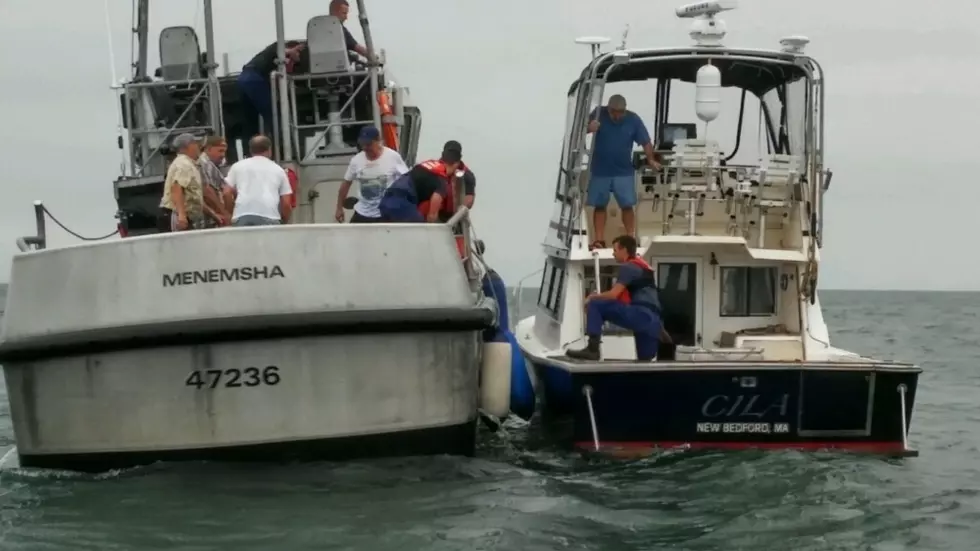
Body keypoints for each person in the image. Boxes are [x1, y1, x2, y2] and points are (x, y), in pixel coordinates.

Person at [566, 235, 663, 362]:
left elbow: (613, 294)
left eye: (615, 250)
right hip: (653, 321)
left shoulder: (628, 267)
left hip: (640, 315)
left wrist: (592, 296)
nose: (613, 254)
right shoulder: (644, 268)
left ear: (624, 250)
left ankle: (593, 349)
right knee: (644, 362)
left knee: (595, 304)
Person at [586, 94, 661, 249]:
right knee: (600, 206)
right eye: (614, 112)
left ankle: (630, 238)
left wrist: (651, 159)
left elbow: (646, 142)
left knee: (627, 206)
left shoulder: (633, 119)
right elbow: (580, 129)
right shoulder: (599, 113)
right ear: (609, 108)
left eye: (621, 112)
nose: (618, 115)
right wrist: (589, 128)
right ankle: (599, 240)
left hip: (623, 171)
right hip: (600, 170)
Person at [237, 40, 306, 150]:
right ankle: (282, 149)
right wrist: (292, 52)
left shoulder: (272, 60)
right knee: (274, 116)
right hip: (254, 78)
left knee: (250, 121)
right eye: (297, 51)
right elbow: (281, 51)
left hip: (245, 79)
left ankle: (251, 150)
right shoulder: (277, 47)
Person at [335, 126, 409, 223]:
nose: (365, 148)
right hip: (363, 212)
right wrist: (339, 208)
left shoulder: (392, 157)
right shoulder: (356, 160)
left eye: (369, 144)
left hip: (386, 212)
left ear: (378, 141)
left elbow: (407, 180)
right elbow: (346, 184)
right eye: (363, 144)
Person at [223, 135, 294, 226]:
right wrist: (284, 222)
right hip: (270, 216)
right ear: (269, 150)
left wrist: (231, 212)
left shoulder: (237, 166)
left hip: (242, 215)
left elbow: (226, 193)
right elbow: (286, 203)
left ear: (250, 150)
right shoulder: (278, 170)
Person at [378, 150, 461, 222]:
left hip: (386, 199)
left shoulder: (427, 164)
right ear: (456, 164)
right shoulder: (442, 180)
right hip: (402, 202)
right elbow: (432, 214)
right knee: (419, 229)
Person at [417, 140, 476, 223]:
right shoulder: (434, 169)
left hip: (454, 217)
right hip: (433, 211)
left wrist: (458, 214)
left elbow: (469, 199)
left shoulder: (467, 175)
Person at [160, 133, 207, 232]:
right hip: (177, 215)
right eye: (195, 143)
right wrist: (181, 215)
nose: (198, 146)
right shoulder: (183, 164)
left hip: (187, 216)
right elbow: (177, 187)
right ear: (188, 146)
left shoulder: (189, 164)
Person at [198, 136, 234, 227]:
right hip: (209, 217)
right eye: (220, 151)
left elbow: (226, 189)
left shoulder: (210, 165)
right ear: (209, 149)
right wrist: (225, 214)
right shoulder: (204, 164)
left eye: (224, 151)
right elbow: (208, 191)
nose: (223, 155)